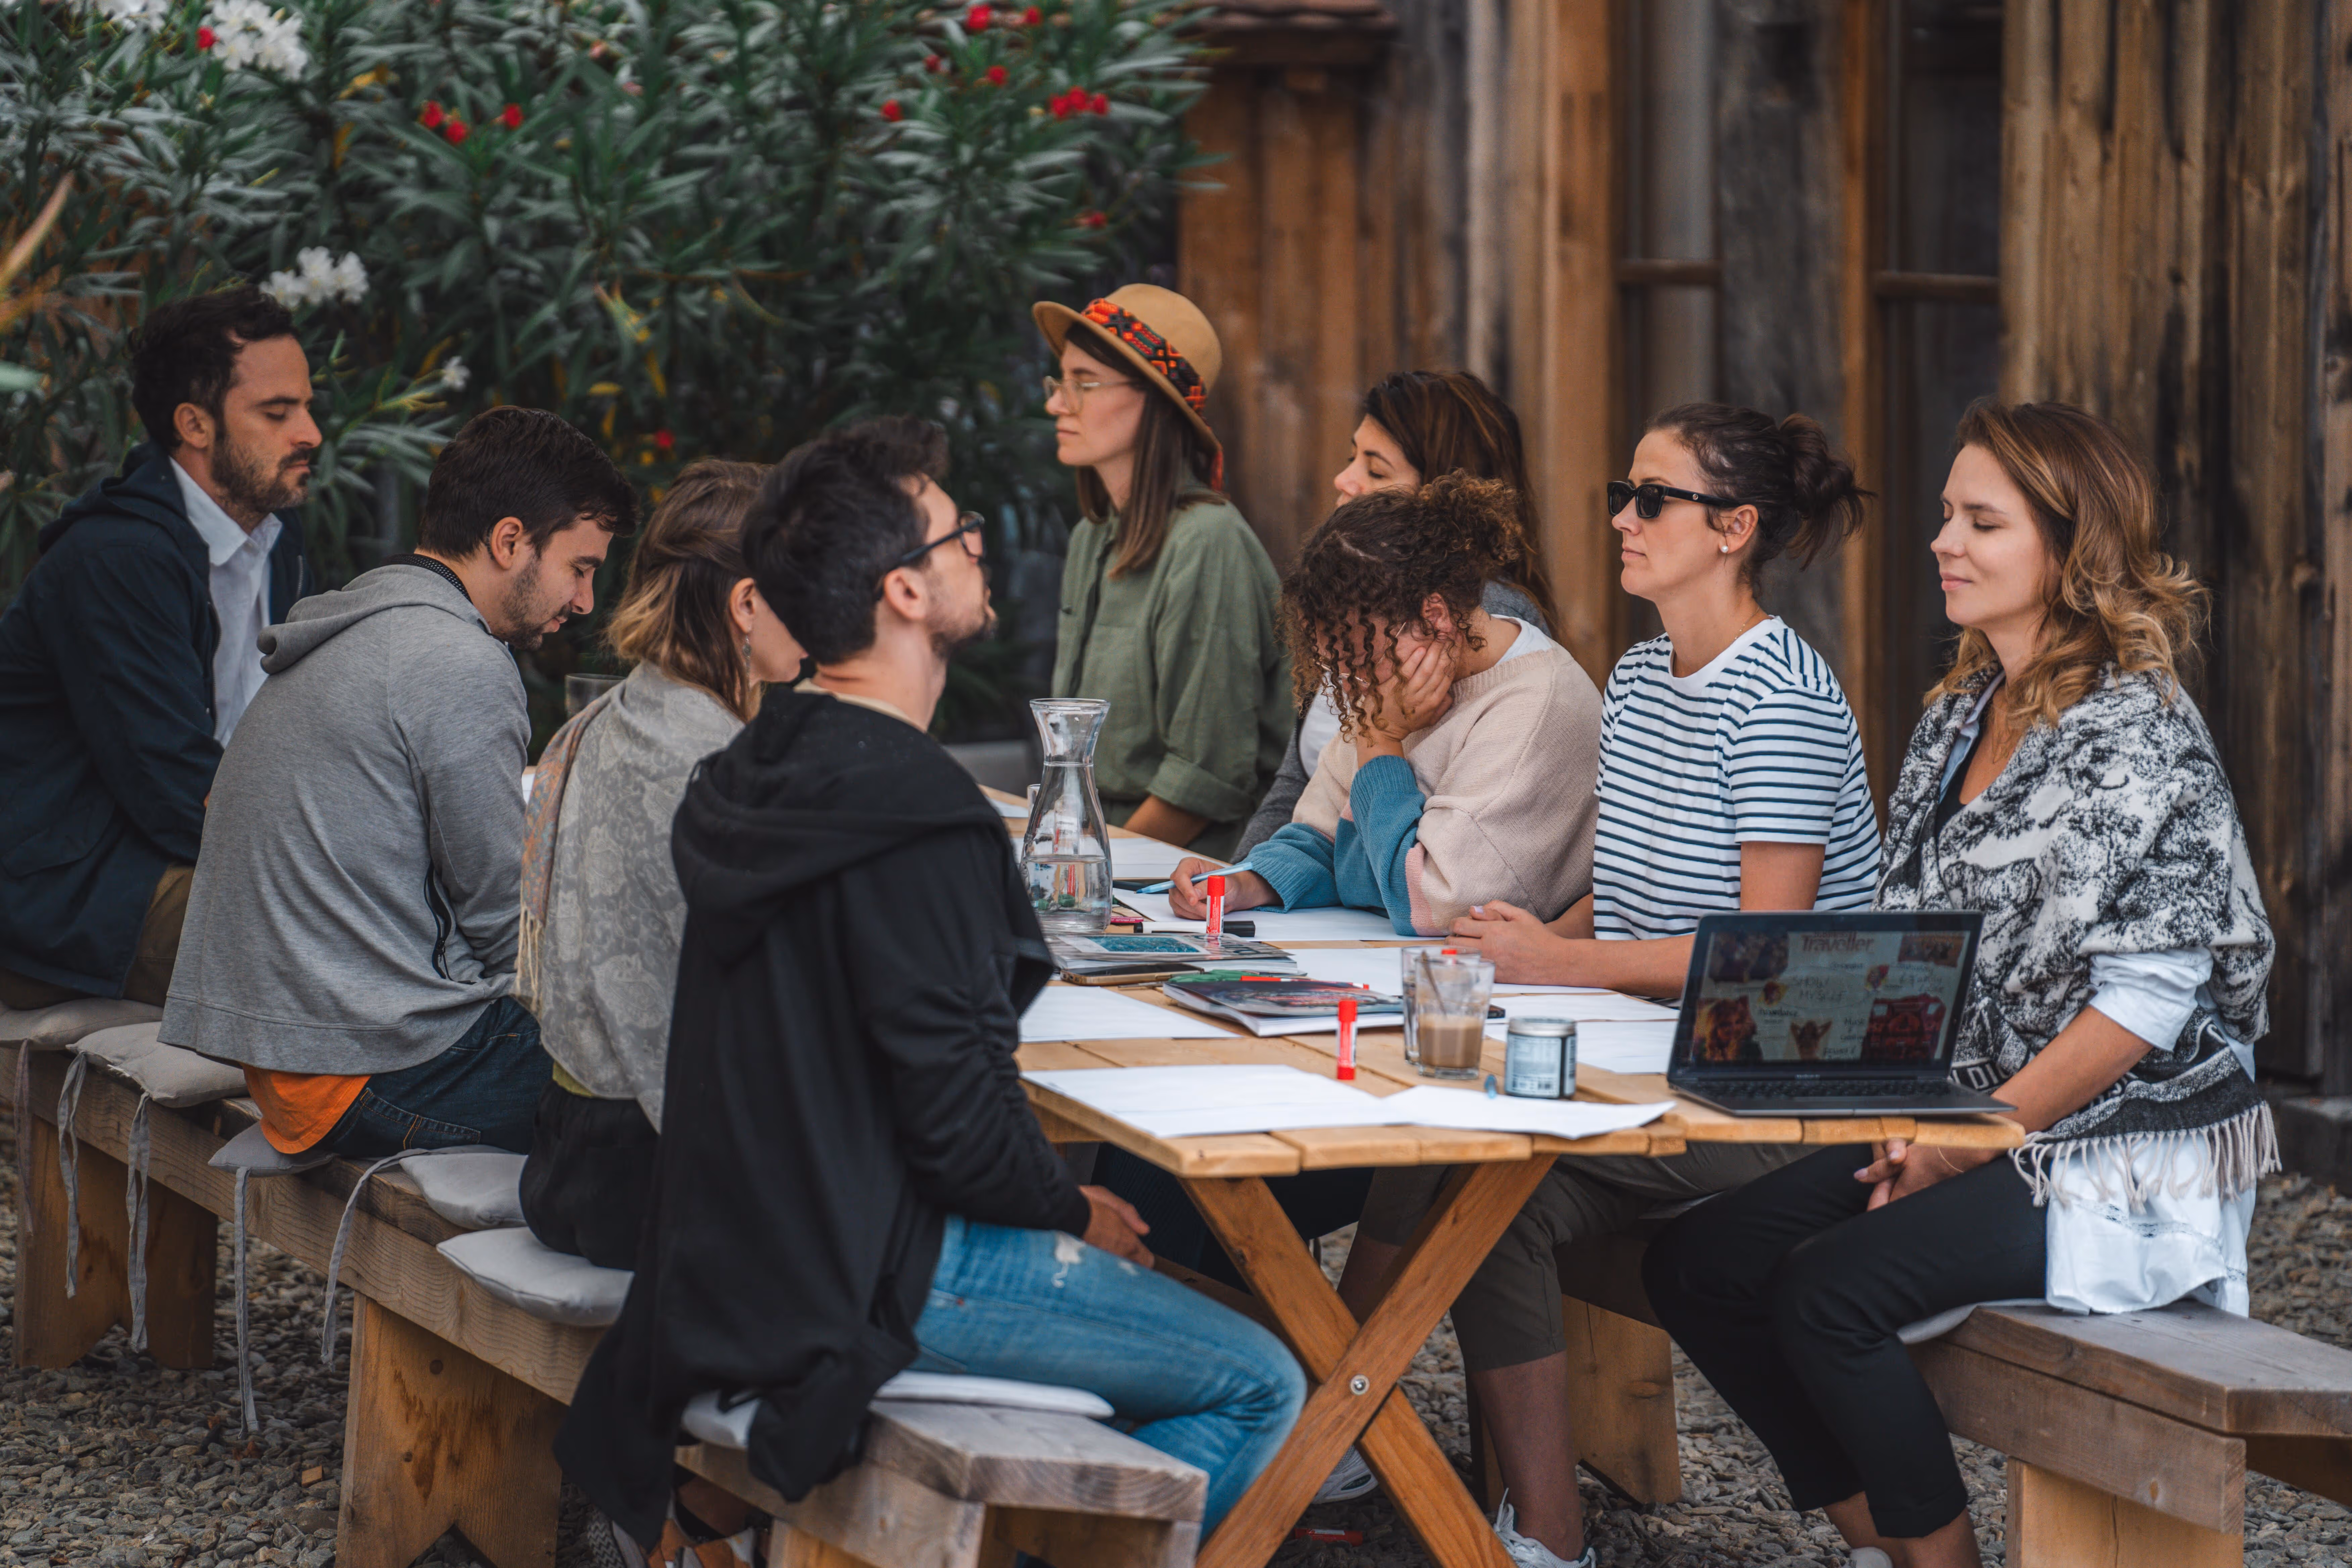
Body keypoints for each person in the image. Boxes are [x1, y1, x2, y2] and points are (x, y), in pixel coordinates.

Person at [556, 416, 1306, 1555]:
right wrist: (1072, 1213)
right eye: (957, 537)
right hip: (871, 1275)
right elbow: (960, 1125)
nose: (979, 551)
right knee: (1266, 1378)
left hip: (726, 1259)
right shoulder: (919, 813)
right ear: (903, 591)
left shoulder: (747, 767)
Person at [1643, 401, 2276, 1568]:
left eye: (1979, 522)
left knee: (1825, 1295)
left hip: (2125, 1146)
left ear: (2067, 550)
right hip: (1966, 1109)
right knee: (1696, 1263)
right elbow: (1909, 951)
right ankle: (1896, 1545)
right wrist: (1890, 1116)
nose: (1941, 540)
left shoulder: (2136, 731)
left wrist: (1963, 1140)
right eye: (1944, 514)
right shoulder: (1955, 713)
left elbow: (2141, 1006)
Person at [1334, 403, 1881, 1566]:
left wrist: (1555, 961)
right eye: (1620, 495)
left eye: (1651, 499)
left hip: (1787, 1082)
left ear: (1731, 528)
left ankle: (1331, 1425)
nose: (1621, 519)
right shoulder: (1637, 678)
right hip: (1655, 1053)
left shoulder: (1776, 697)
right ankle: (1547, 1535)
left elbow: (1765, 956)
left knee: (1472, 1160)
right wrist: (1518, 940)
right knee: (1490, 1197)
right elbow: (1626, 901)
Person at [159, 407, 637, 1157]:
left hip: (296, 1057)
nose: (583, 601)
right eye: (580, 567)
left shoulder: (362, 624)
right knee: (675, 1071)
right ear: (511, 540)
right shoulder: (457, 661)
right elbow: (507, 927)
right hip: (377, 1064)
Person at [518, 459, 804, 1272]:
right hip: (661, 1183)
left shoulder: (604, 721)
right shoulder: (720, 766)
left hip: (566, 1156)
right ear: (747, 603)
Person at [0, 286, 316, 1009]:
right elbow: (173, 784)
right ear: (194, 425)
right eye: (278, 413)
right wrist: (328, 864)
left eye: (306, 406)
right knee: (322, 955)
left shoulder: (278, 536)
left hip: (177, 848)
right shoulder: (117, 557)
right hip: (73, 887)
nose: (312, 433)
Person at [1167, 474, 1601, 936]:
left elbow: (1427, 902)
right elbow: (1322, 839)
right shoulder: (1398, 686)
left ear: (1434, 618)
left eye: (1359, 662)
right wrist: (1243, 884)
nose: (1352, 689)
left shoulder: (1533, 709)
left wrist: (1379, 740)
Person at [1236, 369, 1559, 858]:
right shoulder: (1356, 607)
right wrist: (1238, 880)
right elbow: (1295, 784)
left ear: (1442, 500)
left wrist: (1376, 739)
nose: (1343, 480)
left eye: (1377, 471)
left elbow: (1439, 853)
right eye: (1352, 458)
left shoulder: (1484, 620)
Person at [1038, 284, 1290, 858]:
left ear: (1153, 399)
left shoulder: (1208, 542)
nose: (1057, 404)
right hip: (1092, 852)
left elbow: (1203, 783)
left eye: (1085, 383)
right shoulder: (1090, 538)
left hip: (1177, 877)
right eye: (1060, 382)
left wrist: (1078, 867)